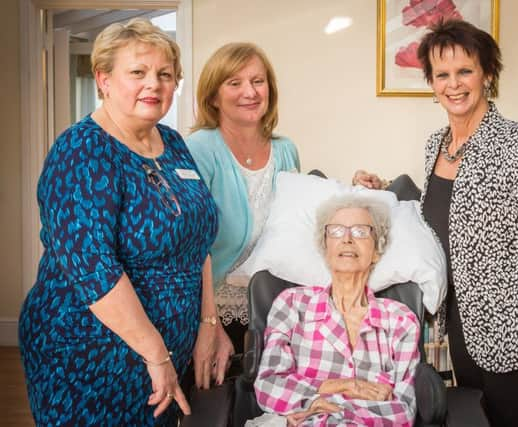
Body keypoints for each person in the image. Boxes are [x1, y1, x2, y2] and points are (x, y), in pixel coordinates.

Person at [353, 19, 518, 427]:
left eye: (465, 71)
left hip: (517, 343)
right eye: (442, 74)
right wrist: (382, 188)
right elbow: (448, 213)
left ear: (487, 74)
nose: (453, 84)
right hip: (460, 335)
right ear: (431, 83)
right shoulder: (436, 145)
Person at [18, 18, 218, 426]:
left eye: (165, 74)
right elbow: (93, 270)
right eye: (138, 72)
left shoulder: (174, 143)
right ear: (104, 79)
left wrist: (208, 323)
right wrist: (156, 354)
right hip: (88, 353)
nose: (155, 84)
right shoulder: (81, 151)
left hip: (163, 352)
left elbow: (198, 242)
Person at [185, 43, 300, 387]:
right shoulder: (199, 149)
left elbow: (295, 224)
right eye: (234, 83)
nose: (250, 92)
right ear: (214, 96)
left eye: (258, 81)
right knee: (215, 405)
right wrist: (209, 323)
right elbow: (193, 244)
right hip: (212, 305)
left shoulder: (286, 149)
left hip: (273, 305)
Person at [254, 195, 419, 426]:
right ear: (326, 247)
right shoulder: (292, 304)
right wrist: (347, 387)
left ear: (377, 251)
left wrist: (332, 407)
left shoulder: (401, 321)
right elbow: (268, 387)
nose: (348, 239)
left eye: (361, 231)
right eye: (337, 231)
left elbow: (403, 411)